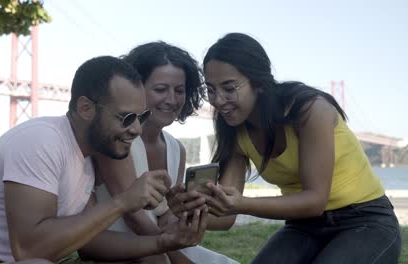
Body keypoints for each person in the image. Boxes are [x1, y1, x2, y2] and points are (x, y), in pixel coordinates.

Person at [0, 56, 208, 264]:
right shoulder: (41, 140)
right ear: (85, 108)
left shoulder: (90, 153)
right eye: (126, 118)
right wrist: (122, 202)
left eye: (141, 117)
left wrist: (165, 242)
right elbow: (29, 249)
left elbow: (88, 241)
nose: (136, 129)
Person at [167, 33, 402, 263]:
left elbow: (315, 200)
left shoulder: (309, 110)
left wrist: (244, 203)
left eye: (229, 88)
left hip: (365, 220)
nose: (218, 100)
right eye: (211, 89)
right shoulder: (235, 128)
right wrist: (187, 210)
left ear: (258, 83)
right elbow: (226, 215)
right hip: (303, 227)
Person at [94, 42, 238, 264]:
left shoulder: (175, 149)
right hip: (121, 250)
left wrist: (187, 220)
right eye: (161, 89)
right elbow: (136, 220)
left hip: (158, 244)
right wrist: (177, 256)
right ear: (136, 88)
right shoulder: (118, 139)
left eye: (179, 90)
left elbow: (164, 216)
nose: (172, 100)